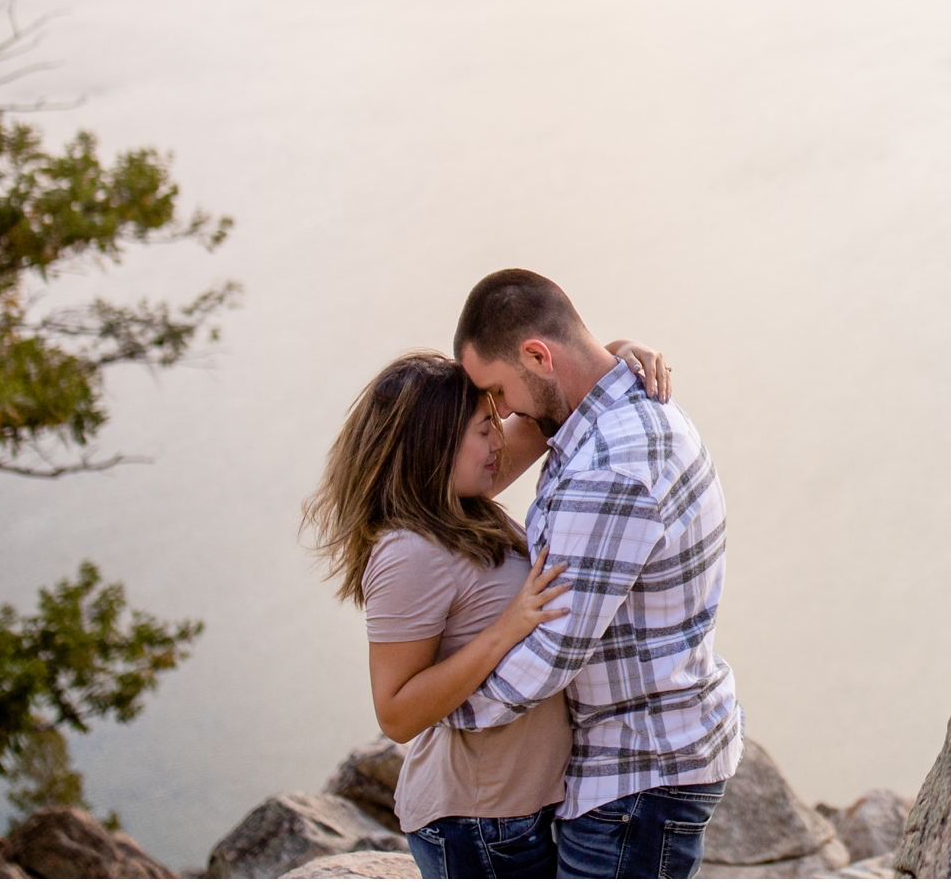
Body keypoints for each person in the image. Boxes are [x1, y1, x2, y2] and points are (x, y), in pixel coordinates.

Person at [302, 346, 669, 877]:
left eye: (496, 422)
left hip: (524, 806)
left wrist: (611, 354)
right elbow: (396, 713)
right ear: (434, 446)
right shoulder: (408, 552)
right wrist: (506, 630)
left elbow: (551, 410)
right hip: (475, 821)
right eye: (483, 429)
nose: (499, 439)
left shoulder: (461, 501)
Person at [446, 268, 742, 880]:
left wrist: (446, 705)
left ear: (536, 355)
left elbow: (552, 650)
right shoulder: (619, 415)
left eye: (498, 393)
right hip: (648, 766)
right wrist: (609, 354)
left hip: (636, 778)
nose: (499, 415)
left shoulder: (610, 467)